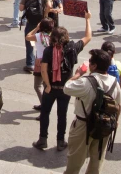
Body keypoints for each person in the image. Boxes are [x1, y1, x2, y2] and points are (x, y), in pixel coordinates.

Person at [33, 11, 92, 152]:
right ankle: (60, 141)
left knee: (45, 113)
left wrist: (47, 85)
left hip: (51, 87)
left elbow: (43, 69)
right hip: (65, 88)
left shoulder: (48, 50)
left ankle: (43, 139)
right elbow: (88, 37)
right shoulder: (72, 48)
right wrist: (87, 20)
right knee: (62, 114)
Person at [62, 49, 121, 174]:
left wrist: (78, 73)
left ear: (94, 66)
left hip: (83, 125)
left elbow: (66, 88)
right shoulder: (115, 83)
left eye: (90, 62)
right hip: (105, 124)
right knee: (96, 162)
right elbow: (118, 106)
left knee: (75, 162)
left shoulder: (85, 82)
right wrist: (116, 121)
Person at [19, 0, 48, 73]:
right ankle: (43, 62)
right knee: (44, 42)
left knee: (29, 43)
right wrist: (45, 15)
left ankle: (30, 64)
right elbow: (49, 5)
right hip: (42, 21)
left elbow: (21, 8)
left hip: (31, 21)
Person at [26, 18, 55, 108]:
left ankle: (44, 105)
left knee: (37, 86)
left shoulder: (39, 36)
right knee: (46, 85)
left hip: (40, 63)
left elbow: (28, 36)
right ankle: (45, 103)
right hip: (50, 62)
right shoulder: (53, 36)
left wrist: (36, 28)